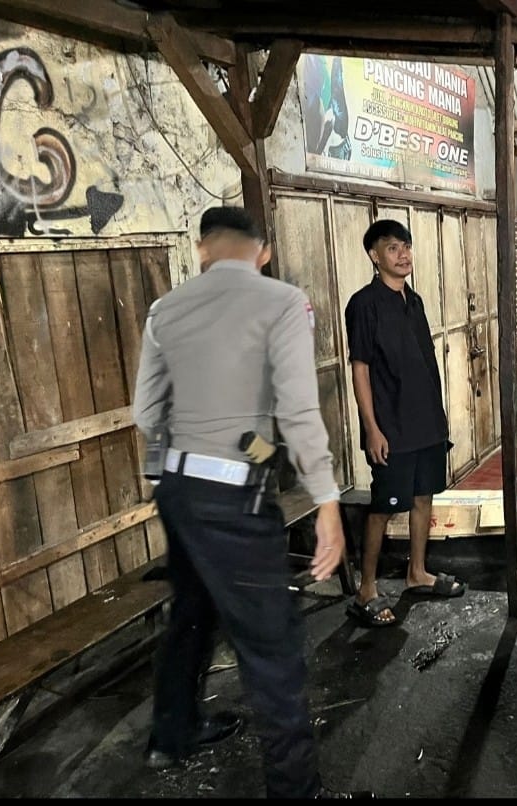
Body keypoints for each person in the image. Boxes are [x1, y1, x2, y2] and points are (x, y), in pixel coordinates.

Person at [133, 206, 350, 798]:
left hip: (175, 490)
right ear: (264, 252)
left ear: (203, 249)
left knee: (192, 608)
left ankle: (171, 734)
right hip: (234, 497)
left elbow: (146, 412)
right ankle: (296, 789)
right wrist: (327, 503)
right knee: (271, 646)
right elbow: (297, 410)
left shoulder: (165, 309)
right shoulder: (281, 302)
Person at [344, 219, 466, 628]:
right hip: (391, 426)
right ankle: (366, 589)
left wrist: (440, 421)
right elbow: (360, 369)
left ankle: (417, 572)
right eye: (393, 248)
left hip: (425, 422)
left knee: (423, 497)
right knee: (383, 507)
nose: (403, 255)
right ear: (374, 255)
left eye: (407, 247)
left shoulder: (414, 301)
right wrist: (372, 428)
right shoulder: (364, 304)